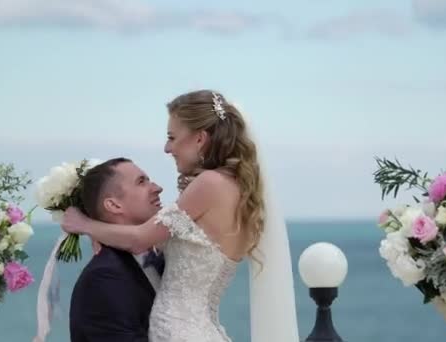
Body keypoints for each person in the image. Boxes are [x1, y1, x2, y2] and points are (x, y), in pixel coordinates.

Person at [62, 89, 300, 341]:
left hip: (178, 332)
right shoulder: (236, 189)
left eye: (172, 137)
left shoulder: (209, 183)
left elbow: (140, 239)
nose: (167, 148)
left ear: (199, 139)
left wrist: (85, 223)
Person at [69, 157, 165, 341]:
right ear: (113, 205)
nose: (157, 188)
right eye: (141, 182)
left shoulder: (161, 256)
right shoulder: (104, 276)